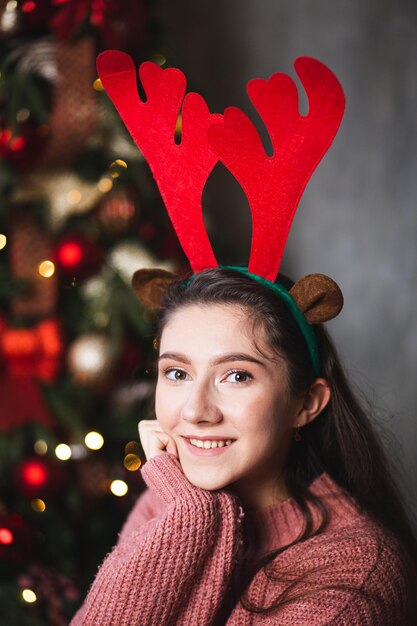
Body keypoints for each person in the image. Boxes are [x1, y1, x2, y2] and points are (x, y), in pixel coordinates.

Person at [70, 52, 417, 625]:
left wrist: (187, 514)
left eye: (236, 375)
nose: (196, 411)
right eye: (177, 373)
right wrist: (184, 512)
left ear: (307, 403)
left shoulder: (355, 577)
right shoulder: (172, 499)